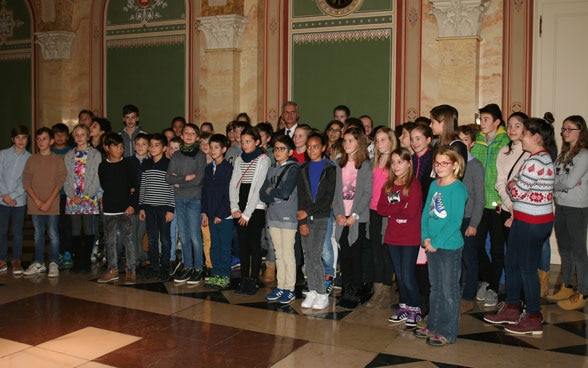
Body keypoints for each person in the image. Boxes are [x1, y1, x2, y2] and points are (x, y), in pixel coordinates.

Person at [483, 117, 556, 335]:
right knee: (511, 261)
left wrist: (513, 184)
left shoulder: (538, 161)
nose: (521, 136)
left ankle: (533, 315)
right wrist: (514, 186)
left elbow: (516, 190)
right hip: (523, 218)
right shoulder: (534, 158)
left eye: (524, 133)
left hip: (533, 222)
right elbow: (518, 189)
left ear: (536, 137)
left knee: (526, 267)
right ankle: (513, 306)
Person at [414, 145, 467, 346]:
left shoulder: (458, 188)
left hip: (449, 247)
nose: (440, 166)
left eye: (445, 163)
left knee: (448, 290)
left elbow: (454, 221)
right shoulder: (435, 185)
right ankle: (434, 326)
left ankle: (448, 331)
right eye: (437, 163)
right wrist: (425, 237)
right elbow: (427, 211)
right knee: (435, 288)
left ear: (455, 165)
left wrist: (436, 242)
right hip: (432, 245)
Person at [378, 147, 423, 327]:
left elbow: (412, 212)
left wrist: (396, 209)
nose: (396, 166)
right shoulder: (388, 185)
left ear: (408, 164)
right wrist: (400, 206)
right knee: (399, 274)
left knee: (407, 274)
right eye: (394, 162)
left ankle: (415, 307)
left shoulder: (414, 185)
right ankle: (404, 306)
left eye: (400, 162)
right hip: (393, 236)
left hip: (410, 237)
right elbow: (382, 209)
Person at [471, 103, 510, 308]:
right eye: (481, 119)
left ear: (497, 122)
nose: (482, 123)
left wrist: (503, 201)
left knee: (496, 247)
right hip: (479, 203)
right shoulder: (477, 143)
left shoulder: (506, 143)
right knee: (475, 243)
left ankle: (494, 288)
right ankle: (486, 278)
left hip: (497, 203)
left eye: (486, 119)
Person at [548, 115, 588, 310]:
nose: (565, 133)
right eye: (564, 129)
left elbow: (570, 182)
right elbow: (558, 179)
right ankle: (567, 285)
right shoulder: (563, 154)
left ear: (581, 132)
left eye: (570, 129)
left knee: (579, 251)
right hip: (562, 205)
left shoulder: (584, 155)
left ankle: (583, 291)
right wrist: (562, 183)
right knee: (564, 248)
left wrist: (560, 182)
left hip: (577, 208)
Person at [297, 132, 337, 309]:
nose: (311, 150)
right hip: (305, 218)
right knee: (308, 256)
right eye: (309, 146)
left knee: (315, 255)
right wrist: (302, 221)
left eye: (315, 146)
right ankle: (312, 290)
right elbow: (301, 197)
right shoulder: (303, 168)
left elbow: (328, 198)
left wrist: (308, 211)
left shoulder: (330, 168)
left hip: (321, 217)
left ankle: (322, 293)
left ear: (323, 148)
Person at [333, 127, 372, 309]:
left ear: (359, 143)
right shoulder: (339, 164)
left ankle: (355, 291)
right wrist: (338, 214)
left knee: (355, 257)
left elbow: (366, 193)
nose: (347, 144)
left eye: (351, 141)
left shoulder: (364, 164)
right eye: (345, 140)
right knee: (345, 257)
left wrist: (354, 215)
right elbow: (335, 193)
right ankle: (346, 289)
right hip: (342, 217)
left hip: (357, 218)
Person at [230, 127, 270, 295]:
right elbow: (233, 184)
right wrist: (234, 207)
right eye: (243, 142)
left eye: (248, 142)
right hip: (240, 206)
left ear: (257, 142)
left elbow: (259, 188)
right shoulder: (239, 159)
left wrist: (247, 213)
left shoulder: (264, 159)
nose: (245, 145)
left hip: (256, 208)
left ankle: (253, 280)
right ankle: (244, 279)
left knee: (254, 245)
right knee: (243, 245)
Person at [21, 127, 67, 278]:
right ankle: (39, 262)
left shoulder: (57, 160)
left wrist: (47, 202)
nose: (41, 142)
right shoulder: (31, 160)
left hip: (52, 204)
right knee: (38, 235)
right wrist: (38, 201)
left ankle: (53, 263)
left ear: (51, 141)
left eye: (45, 138)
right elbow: (26, 182)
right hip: (35, 205)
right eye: (39, 139)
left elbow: (60, 182)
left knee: (53, 233)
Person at [260, 134, 300, 304]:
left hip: (288, 217)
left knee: (288, 254)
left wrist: (272, 193)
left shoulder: (293, 169)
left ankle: (289, 288)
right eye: (275, 148)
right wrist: (273, 194)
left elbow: (285, 193)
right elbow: (262, 194)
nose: (277, 151)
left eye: (282, 148)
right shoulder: (272, 169)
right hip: (273, 216)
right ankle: (281, 286)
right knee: (278, 253)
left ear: (290, 152)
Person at [167, 123, 207, 284]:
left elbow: (198, 179)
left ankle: (198, 268)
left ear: (197, 137)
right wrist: (185, 178)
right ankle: (188, 266)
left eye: (193, 133)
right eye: (186, 133)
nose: (189, 136)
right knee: (183, 236)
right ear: (182, 136)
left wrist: (180, 181)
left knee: (194, 236)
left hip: (194, 200)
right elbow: (169, 178)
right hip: (179, 199)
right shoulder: (176, 156)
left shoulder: (200, 155)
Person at [97, 133, 139, 284]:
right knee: (110, 240)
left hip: (126, 209)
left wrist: (133, 205)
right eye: (116, 146)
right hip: (109, 208)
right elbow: (104, 186)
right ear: (107, 148)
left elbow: (136, 186)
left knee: (128, 240)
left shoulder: (128, 164)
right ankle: (113, 269)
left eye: (121, 147)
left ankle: (130, 269)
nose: (120, 149)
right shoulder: (102, 166)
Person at [366, 127, 397, 309]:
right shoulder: (373, 162)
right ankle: (376, 289)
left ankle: (385, 290)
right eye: (377, 140)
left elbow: (397, 188)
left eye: (383, 139)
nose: (379, 143)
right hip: (373, 210)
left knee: (386, 253)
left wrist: (391, 208)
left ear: (391, 141)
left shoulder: (395, 163)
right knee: (375, 251)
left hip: (387, 212)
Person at [64, 124, 102, 274]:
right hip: (72, 197)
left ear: (88, 136)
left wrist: (87, 195)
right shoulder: (68, 155)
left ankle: (85, 260)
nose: (79, 137)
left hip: (89, 197)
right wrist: (72, 195)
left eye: (82, 134)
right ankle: (77, 260)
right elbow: (65, 178)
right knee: (74, 229)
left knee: (88, 228)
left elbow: (97, 177)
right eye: (76, 135)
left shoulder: (95, 154)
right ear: (74, 138)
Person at [456, 124, 485, 313]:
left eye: (465, 140)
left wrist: (474, 223)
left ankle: (468, 295)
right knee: (456, 257)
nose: (461, 143)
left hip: (468, 219)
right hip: (454, 219)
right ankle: (456, 290)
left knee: (469, 258)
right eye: (458, 139)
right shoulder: (452, 164)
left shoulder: (475, 165)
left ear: (472, 143)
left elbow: (480, 198)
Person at [139, 133, 175, 281]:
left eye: (157, 145)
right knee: (152, 239)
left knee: (165, 239)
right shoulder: (145, 164)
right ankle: (154, 266)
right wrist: (141, 206)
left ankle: (165, 267)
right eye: (151, 145)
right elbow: (143, 186)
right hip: (149, 208)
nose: (153, 148)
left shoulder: (169, 164)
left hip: (164, 208)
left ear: (164, 148)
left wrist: (171, 209)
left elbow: (172, 187)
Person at [202, 134, 234, 290]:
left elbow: (229, 195)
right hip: (211, 215)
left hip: (225, 217)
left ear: (224, 149)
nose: (213, 150)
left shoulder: (228, 169)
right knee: (214, 245)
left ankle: (225, 275)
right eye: (211, 147)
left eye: (216, 147)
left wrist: (220, 215)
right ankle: (215, 273)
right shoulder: (208, 169)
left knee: (224, 246)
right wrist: (204, 212)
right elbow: (205, 193)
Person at [0, 126, 31, 275]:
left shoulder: (30, 158)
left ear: (28, 140)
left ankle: (17, 259)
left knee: (18, 232)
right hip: (2, 199)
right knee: (2, 230)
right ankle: (1, 259)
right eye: (18, 138)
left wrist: (12, 196)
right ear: (13, 139)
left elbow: (26, 181)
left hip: (19, 201)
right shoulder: (3, 154)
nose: (21, 141)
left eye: (24, 137)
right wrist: (5, 195)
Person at [51, 123, 73, 267]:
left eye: (62, 134)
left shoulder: (72, 151)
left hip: (67, 194)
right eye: (57, 134)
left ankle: (67, 252)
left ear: (67, 136)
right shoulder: (48, 151)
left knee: (67, 225)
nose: (59, 137)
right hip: (52, 196)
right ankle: (56, 252)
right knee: (54, 226)